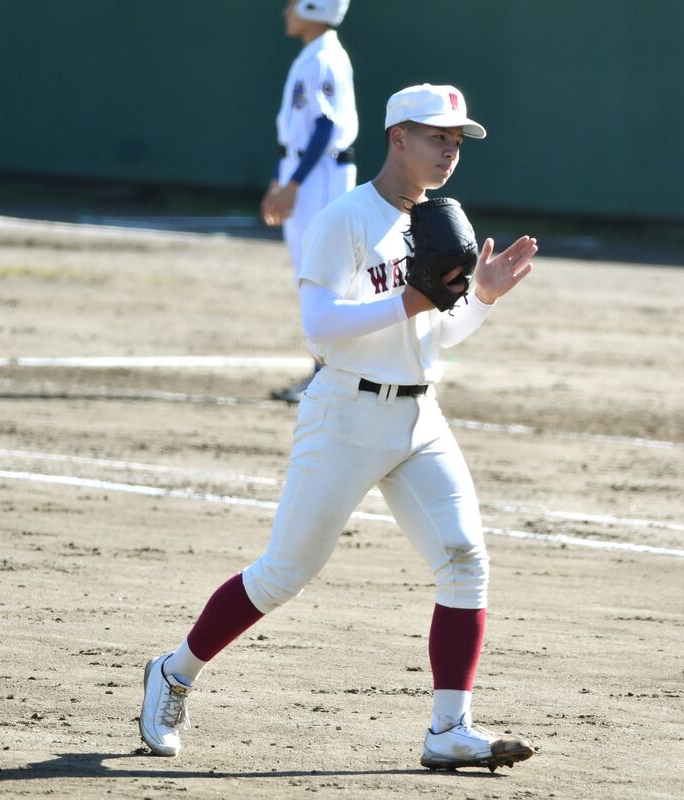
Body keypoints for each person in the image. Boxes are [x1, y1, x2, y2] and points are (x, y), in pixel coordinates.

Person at [139, 83, 540, 772]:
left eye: (456, 139)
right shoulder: (344, 219)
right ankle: (174, 673)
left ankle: (449, 729)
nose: (449, 149)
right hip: (345, 415)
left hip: (419, 416)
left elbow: (436, 335)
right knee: (283, 575)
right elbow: (320, 329)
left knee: (465, 560)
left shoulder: (441, 220)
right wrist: (410, 297)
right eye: (436, 135)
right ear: (397, 139)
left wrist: (483, 298)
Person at [261, 0, 358, 403]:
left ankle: (328, 375)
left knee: (321, 275)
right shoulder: (314, 55)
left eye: (294, 4)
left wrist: (294, 183)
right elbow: (300, 134)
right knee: (312, 272)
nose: (286, 10)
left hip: (320, 176)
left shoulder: (325, 57)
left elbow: (324, 128)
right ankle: (325, 372)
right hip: (306, 171)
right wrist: (278, 179)